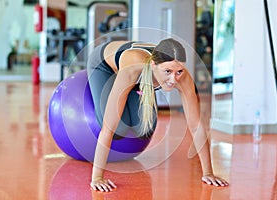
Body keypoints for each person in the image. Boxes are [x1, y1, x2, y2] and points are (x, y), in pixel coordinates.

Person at [87, 38, 229, 192]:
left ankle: (128, 91)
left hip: (140, 75)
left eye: (179, 71)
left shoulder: (182, 77)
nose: (173, 80)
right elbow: (108, 129)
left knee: (144, 129)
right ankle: (120, 90)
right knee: (119, 128)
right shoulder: (132, 69)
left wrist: (208, 173)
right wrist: (97, 177)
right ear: (154, 65)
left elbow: (196, 126)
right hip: (103, 67)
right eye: (167, 71)